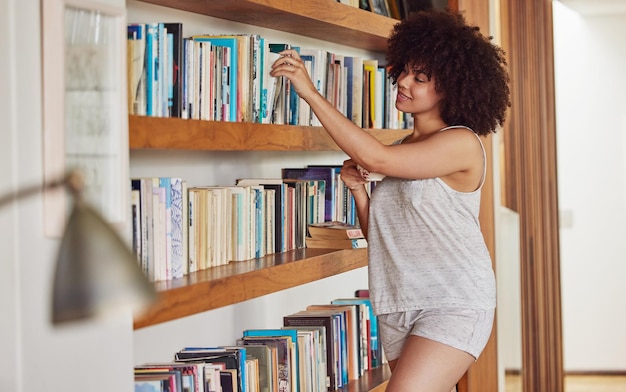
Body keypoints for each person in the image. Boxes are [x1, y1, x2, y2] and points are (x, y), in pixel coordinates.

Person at [271, 8, 510, 392]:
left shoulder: (461, 143)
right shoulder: (403, 149)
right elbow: (383, 236)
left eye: (420, 78)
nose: (402, 82)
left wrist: (310, 92)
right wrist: (359, 193)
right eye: (404, 71)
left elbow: (376, 158)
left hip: (452, 302)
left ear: (451, 86)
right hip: (397, 303)